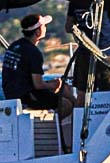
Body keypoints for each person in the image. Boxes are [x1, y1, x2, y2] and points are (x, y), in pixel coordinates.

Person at [2, 12, 75, 141]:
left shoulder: (15, 46)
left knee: (65, 89)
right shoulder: (33, 52)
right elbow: (38, 84)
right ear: (37, 32)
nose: (46, 28)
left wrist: (55, 85)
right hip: (25, 96)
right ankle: (53, 133)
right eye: (44, 26)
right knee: (66, 104)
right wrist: (54, 85)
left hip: (11, 93)